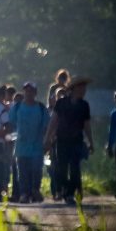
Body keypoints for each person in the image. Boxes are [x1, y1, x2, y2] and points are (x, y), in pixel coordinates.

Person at [43, 76, 94, 205]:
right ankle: (65, 190)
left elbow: (87, 125)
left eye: (84, 88)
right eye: (81, 87)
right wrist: (47, 138)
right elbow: (53, 121)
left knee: (75, 169)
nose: (84, 90)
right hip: (61, 141)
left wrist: (91, 142)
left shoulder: (84, 105)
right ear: (74, 88)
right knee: (61, 168)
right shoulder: (61, 103)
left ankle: (70, 193)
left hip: (76, 141)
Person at [9, 82, 50, 203]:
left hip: (37, 146)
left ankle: (35, 191)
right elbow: (11, 125)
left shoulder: (41, 108)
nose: (28, 93)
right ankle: (24, 194)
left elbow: (46, 127)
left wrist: (47, 142)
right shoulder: (16, 107)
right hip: (21, 146)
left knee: (36, 170)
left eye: (31, 91)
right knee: (22, 172)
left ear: (35, 93)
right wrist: (10, 139)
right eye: (26, 91)